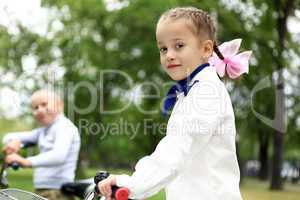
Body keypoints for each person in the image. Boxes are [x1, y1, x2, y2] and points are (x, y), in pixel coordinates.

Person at [98, 6, 251, 200]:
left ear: (205, 49)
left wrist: (133, 185)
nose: (169, 54)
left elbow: (178, 149)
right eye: (163, 48)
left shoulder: (206, 93)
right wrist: (143, 179)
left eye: (178, 46)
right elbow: (174, 152)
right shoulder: (191, 92)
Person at [2, 89, 81, 200]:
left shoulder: (64, 127)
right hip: (43, 189)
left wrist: (26, 161)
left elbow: (59, 156)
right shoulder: (43, 131)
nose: (39, 110)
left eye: (44, 104)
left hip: (58, 191)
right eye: (35, 108)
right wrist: (16, 141)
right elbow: (7, 137)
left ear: (60, 105)